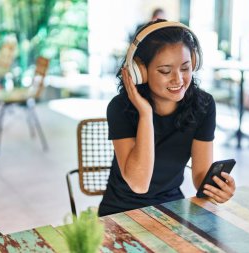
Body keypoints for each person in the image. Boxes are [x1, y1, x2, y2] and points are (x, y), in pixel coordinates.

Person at [98, 19, 236, 216]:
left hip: (171, 207)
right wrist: (145, 114)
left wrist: (217, 189)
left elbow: (199, 178)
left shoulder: (203, 105)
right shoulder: (120, 107)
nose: (178, 79)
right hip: (120, 210)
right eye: (165, 71)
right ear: (140, 71)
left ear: (194, 62)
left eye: (185, 67)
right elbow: (139, 184)